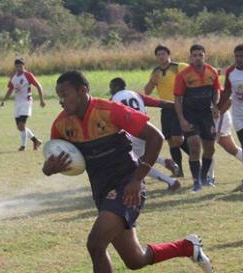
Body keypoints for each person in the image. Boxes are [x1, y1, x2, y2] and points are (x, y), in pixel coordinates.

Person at [43, 71, 212, 273]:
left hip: (127, 186)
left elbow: (155, 137)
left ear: (83, 91)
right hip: (101, 190)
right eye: (59, 96)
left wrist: (137, 179)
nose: (61, 101)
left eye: (65, 95)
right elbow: (53, 161)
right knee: (135, 259)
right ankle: (187, 247)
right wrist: (50, 169)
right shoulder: (61, 124)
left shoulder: (109, 110)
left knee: (95, 245)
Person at [109, 77, 181, 190]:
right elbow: (160, 103)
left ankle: (171, 182)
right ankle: (164, 162)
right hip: (147, 130)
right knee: (143, 157)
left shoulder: (113, 99)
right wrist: (181, 106)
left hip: (131, 133)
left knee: (139, 164)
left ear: (115, 87)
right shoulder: (136, 95)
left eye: (111, 88)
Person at [174, 44, 221, 192]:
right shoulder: (183, 75)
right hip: (190, 115)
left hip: (206, 115)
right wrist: (181, 119)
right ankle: (196, 182)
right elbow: (177, 99)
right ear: (190, 58)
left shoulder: (212, 72)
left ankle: (203, 177)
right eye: (195, 55)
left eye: (200, 55)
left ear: (205, 56)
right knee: (194, 146)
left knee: (210, 149)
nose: (198, 58)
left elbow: (216, 91)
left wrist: (215, 105)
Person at [144, 45, 190, 177]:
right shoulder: (156, 71)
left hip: (179, 107)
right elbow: (147, 92)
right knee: (170, 140)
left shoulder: (179, 67)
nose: (161, 56)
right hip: (165, 109)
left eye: (163, 53)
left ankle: (195, 157)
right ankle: (178, 171)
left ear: (169, 54)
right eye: (158, 54)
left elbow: (193, 74)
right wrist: (153, 81)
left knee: (178, 139)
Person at [0, 57, 45, 151]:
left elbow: (39, 86)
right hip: (17, 104)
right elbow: (10, 89)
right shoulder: (13, 76)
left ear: (23, 66)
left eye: (21, 66)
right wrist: (4, 100)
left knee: (21, 125)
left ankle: (23, 146)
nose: (19, 68)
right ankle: (36, 141)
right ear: (15, 67)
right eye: (17, 66)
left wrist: (41, 100)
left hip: (26, 103)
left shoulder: (28, 75)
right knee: (20, 128)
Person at [217, 43, 243, 190]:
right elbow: (227, 91)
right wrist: (219, 109)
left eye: (242, 56)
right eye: (237, 56)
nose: (239, 59)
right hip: (239, 117)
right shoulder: (231, 72)